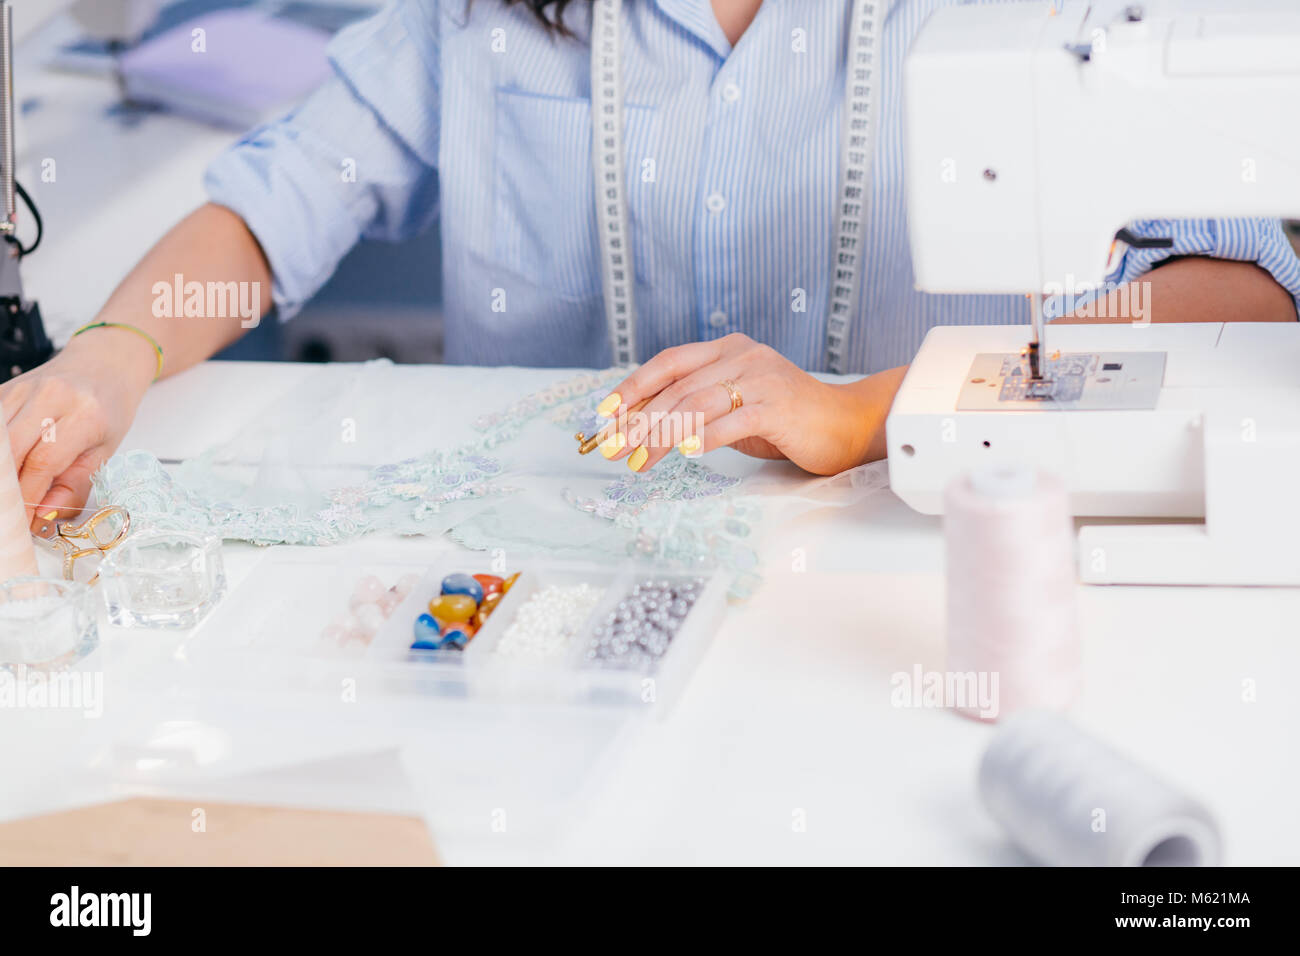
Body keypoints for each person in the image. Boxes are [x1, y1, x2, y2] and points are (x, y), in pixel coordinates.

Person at [3, 0, 1298, 534]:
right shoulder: (483, 20)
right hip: (550, 566)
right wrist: (121, 351)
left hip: (918, 548)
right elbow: (273, 209)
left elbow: (1239, 285)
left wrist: (870, 410)